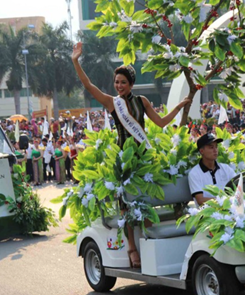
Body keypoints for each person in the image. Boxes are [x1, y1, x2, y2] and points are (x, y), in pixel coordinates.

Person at [72, 42, 190, 269]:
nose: (119, 86)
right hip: (123, 160)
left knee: (147, 200)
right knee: (125, 205)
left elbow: (161, 122)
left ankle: (149, 242)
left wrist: (179, 107)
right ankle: (132, 248)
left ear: (132, 84)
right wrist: (76, 61)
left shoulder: (142, 101)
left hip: (144, 157)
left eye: (123, 83)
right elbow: (88, 85)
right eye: (116, 82)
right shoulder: (111, 102)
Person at [189, 134, 236, 206]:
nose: (215, 150)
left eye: (216, 147)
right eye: (211, 147)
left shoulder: (226, 168)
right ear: (201, 151)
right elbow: (200, 200)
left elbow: (239, 186)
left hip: (229, 208)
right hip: (208, 213)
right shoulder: (194, 173)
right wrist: (224, 201)